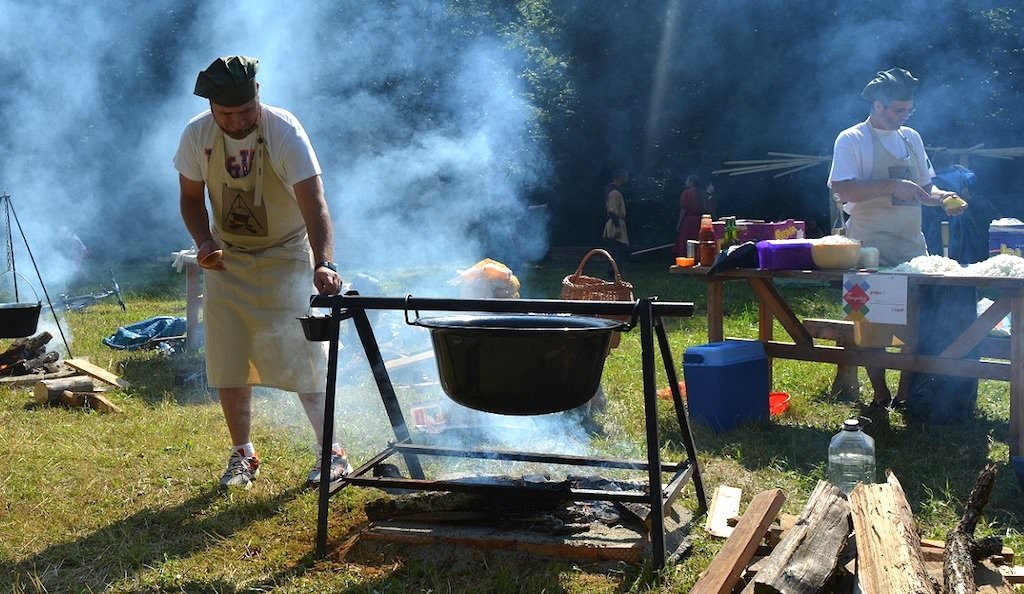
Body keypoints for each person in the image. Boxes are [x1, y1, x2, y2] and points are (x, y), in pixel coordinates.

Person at [174, 56, 350, 489]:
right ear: (212, 107)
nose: (236, 121)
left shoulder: (284, 130)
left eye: (245, 111)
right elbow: (192, 200)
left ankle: (331, 453)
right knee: (229, 359)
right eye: (226, 113)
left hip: (286, 253)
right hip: (227, 259)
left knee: (306, 357)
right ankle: (242, 455)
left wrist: (323, 262)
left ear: (258, 97)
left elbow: (314, 203)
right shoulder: (198, 135)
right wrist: (204, 242)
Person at [827, 67, 968, 408]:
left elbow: (926, 187)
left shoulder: (912, 138)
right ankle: (880, 393)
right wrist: (891, 185)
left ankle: (904, 395)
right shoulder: (852, 139)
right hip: (867, 248)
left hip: (911, 247)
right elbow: (842, 187)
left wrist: (942, 198)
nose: (904, 117)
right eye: (898, 111)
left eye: (908, 111)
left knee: (914, 326)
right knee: (869, 327)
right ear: (878, 105)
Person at [601, 168, 630, 268]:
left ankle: (613, 272)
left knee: (615, 249)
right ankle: (612, 272)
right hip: (614, 224)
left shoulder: (612, 190)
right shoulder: (614, 192)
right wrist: (617, 227)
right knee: (615, 250)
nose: (627, 179)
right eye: (625, 177)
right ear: (620, 178)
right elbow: (612, 211)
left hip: (615, 222)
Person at [673, 174, 705, 256]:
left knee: (686, 239)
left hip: (689, 220)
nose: (685, 182)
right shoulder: (702, 193)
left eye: (687, 180)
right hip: (700, 220)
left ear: (691, 182)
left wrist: (679, 223)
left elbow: (683, 209)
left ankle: (687, 256)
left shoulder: (686, 193)